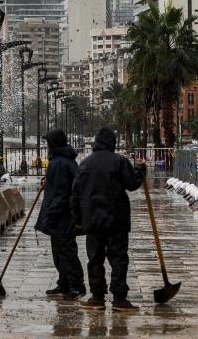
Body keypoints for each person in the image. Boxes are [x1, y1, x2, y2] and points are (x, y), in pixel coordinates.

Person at [71, 127, 146, 312]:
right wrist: (140, 170)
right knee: (118, 258)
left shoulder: (85, 164)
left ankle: (97, 297)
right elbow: (132, 183)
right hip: (116, 219)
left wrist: (78, 220)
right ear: (113, 142)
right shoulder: (119, 162)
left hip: (93, 220)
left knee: (94, 258)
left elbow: (75, 195)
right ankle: (119, 298)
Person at [35, 129, 86, 300]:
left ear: (53, 144)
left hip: (62, 216)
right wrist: (47, 180)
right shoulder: (62, 161)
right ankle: (64, 283)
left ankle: (76, 286)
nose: (46, 146)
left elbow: (62, 193)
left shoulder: (60, 163)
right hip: (61, 215)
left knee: (66, 252)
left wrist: (50, 214)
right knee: (59, 252)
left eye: (48, 142)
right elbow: (58, 184)